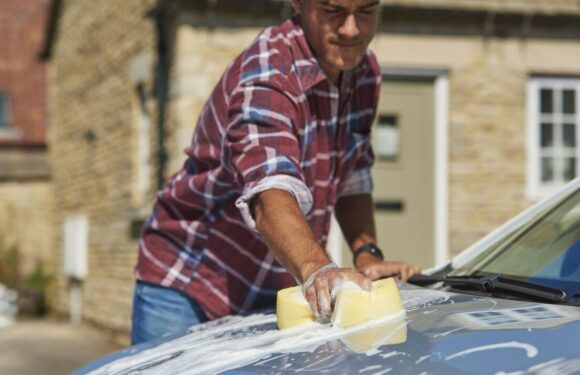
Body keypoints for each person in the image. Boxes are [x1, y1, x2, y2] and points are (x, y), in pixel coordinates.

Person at [131, 0, 421, 345]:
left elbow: (353, 170)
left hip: (278, 284)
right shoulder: (268, 72)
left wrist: (367, 254)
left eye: (367, 11)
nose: (351, 30)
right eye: (333, 11)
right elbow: (269, 193)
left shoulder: (364, 72)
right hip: (191, 287)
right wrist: (320, 270)